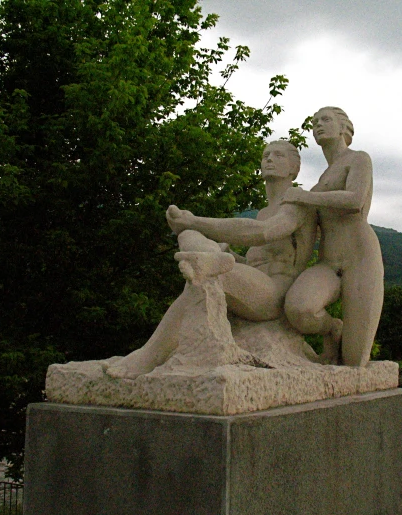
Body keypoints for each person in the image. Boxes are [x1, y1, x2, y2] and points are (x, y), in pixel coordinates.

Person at [107, 140, 317, 379]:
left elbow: (262, 232)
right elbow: (250, 268)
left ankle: (149, 355)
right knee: (189, 237)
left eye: (278, 155)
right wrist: (229, 253)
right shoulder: (262, 212)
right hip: (253, 284)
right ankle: (211, 257)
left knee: (204, 260)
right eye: (266, 155)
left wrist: (195, 220)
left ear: (294, 168)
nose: (269, 159)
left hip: (275, 295)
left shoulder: (299, 204)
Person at [281, 107, 384, 367]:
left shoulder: (359, 159)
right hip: (328, 263)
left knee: (354, 360)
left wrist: (306, 197)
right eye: (314, 122)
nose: (317, 125)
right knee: (300, 309)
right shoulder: (322, 180)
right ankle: (332, 328)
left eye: (325, 120)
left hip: (360, 259)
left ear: (344, 128)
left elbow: (355, 200)